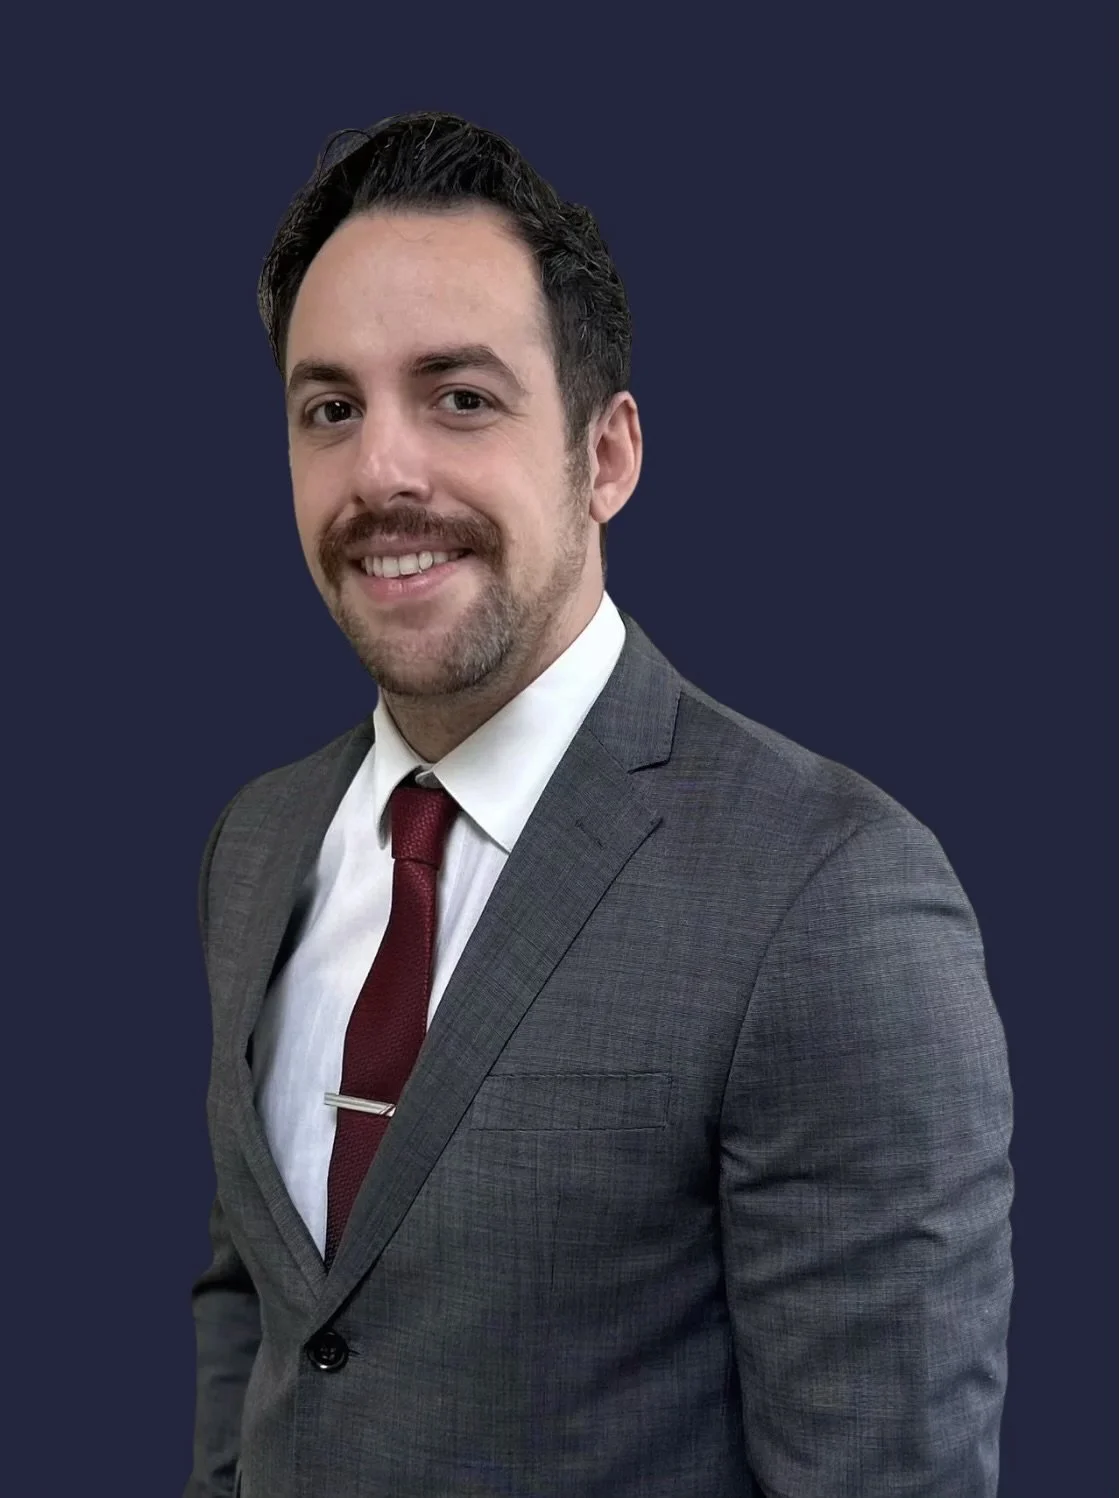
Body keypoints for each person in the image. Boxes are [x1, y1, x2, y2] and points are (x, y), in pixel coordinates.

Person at [185, 110, 1014, 1498]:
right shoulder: (256, 844)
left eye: (460, 397)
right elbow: (258, 1308)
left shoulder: (829, 894)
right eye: (331, 408)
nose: (381, 472)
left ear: (607, 455)